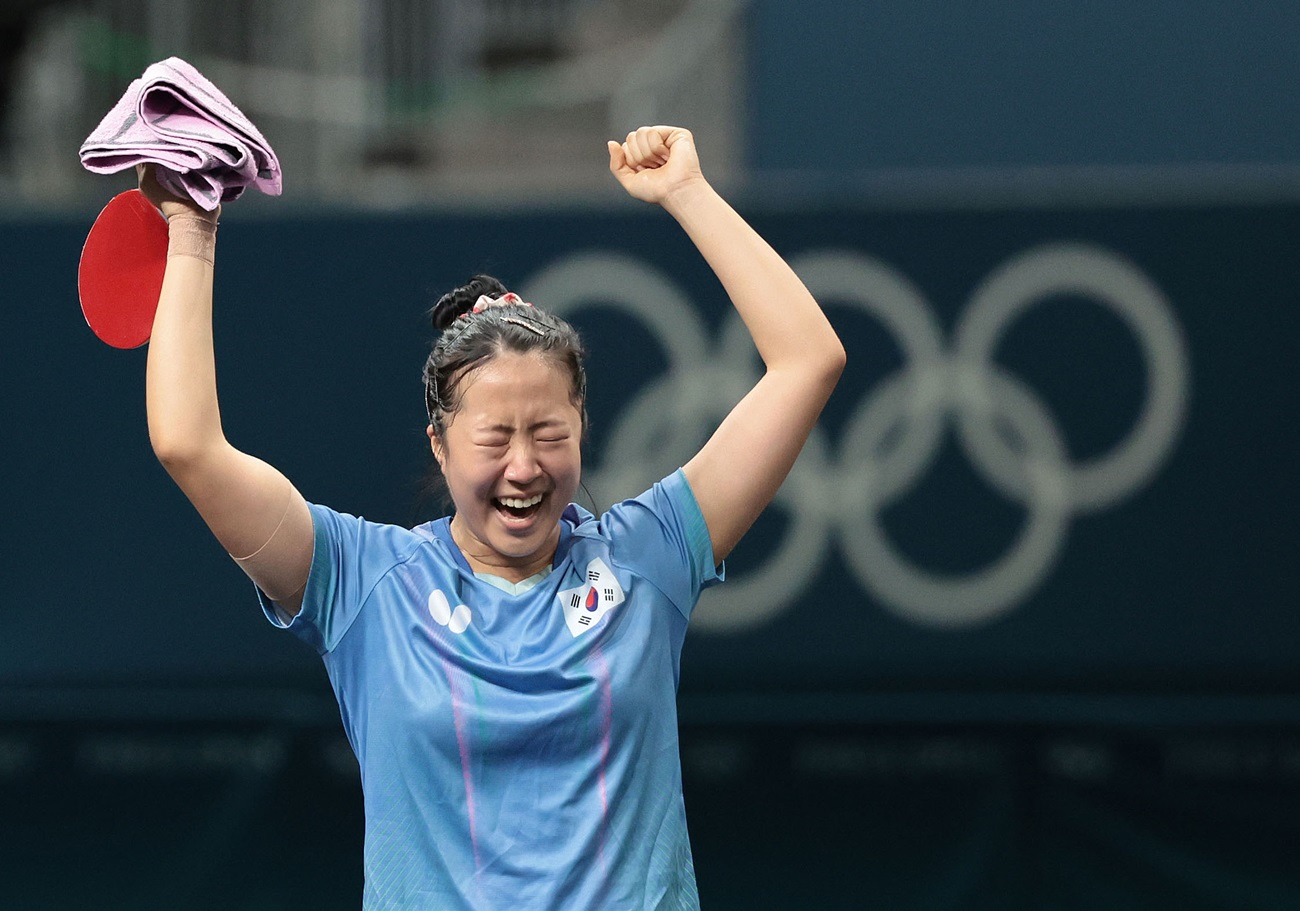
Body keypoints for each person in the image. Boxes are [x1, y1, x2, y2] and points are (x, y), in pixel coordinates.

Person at [140, 125, 845, 910]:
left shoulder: (650, 556)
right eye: (494, 438)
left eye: (550, 434)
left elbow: (808, 359)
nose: (524, 466)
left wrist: (687, 193)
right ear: (440, 444)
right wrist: (191, 230)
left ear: (582, 430)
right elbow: (188, 446)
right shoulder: (363, 584)